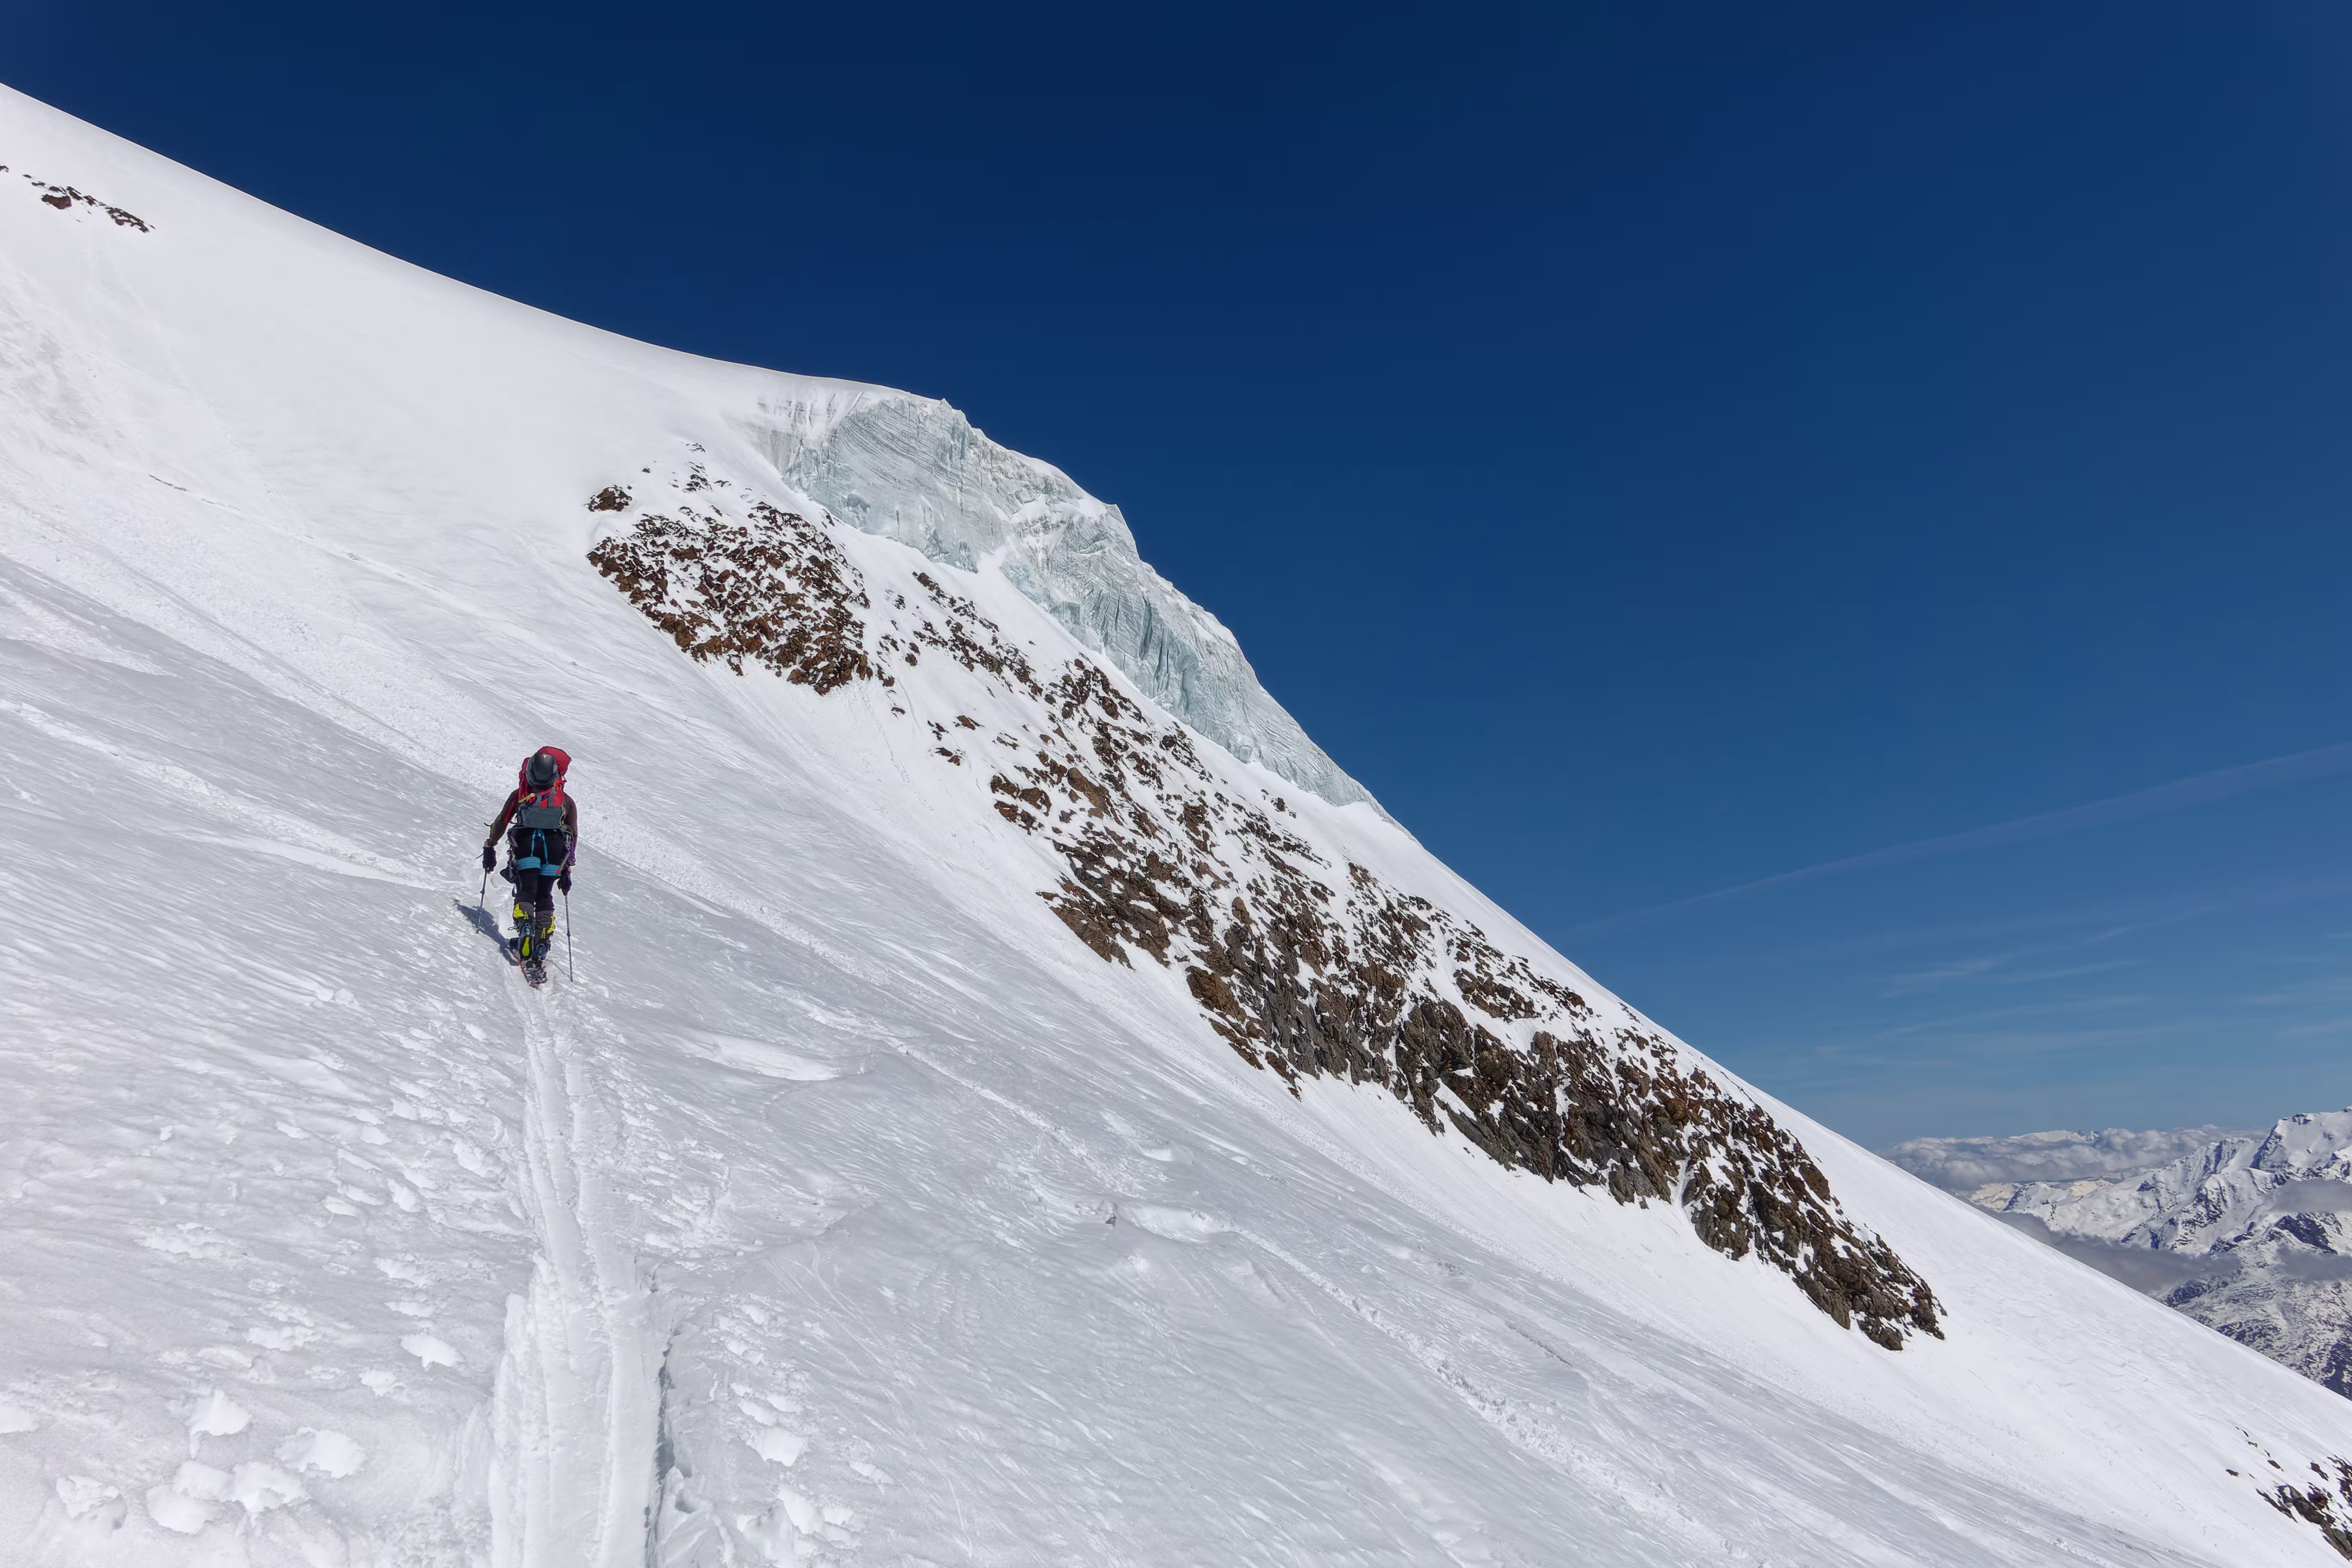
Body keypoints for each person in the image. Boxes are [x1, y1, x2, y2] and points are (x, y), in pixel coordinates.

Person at [482, 747, 576, 970]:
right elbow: (573, 833)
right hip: (554, 849)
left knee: (527, 890)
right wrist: (568, 868)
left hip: (526, 845)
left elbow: (502, 823)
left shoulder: (521, 795)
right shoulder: (565, 800)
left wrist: (491, 845)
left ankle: (525, 926)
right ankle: (542, 938)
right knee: (545, 893)